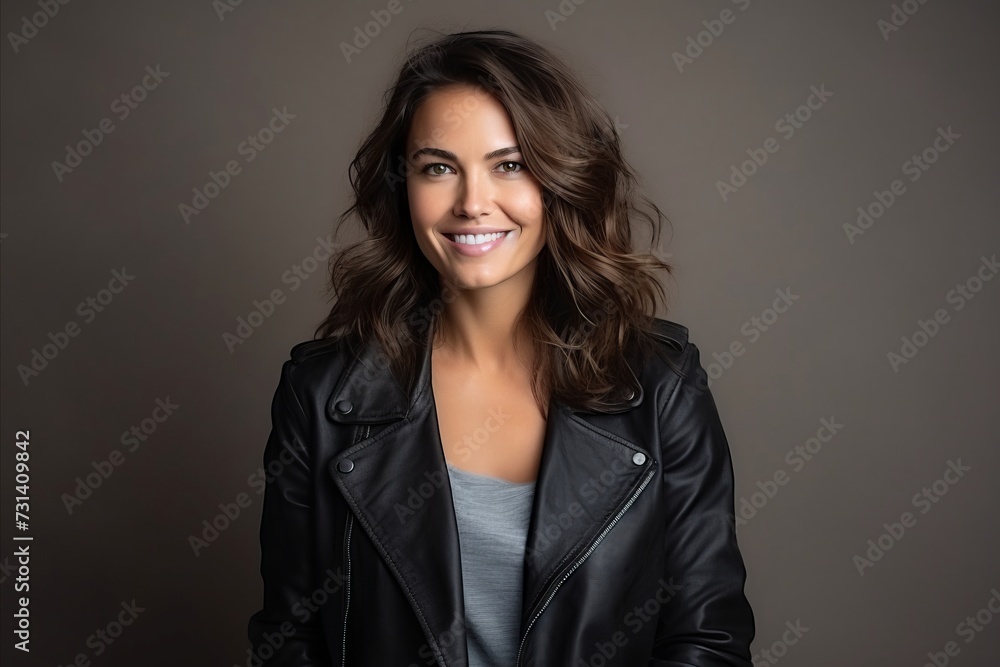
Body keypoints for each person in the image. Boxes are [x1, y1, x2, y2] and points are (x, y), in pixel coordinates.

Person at [248, 27, 755, 666]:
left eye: (509, 165)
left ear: (559, 181)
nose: (472, 203)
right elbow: (290, 641)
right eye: (438, 168)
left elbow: (707, 642)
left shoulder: (660, 390)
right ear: (401, 188)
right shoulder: (321, 398)